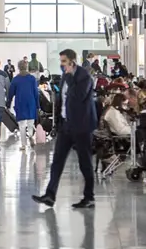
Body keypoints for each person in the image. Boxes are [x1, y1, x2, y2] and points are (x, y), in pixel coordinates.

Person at [34, 49, 98, 210]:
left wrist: (69, 78)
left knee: (85, 162)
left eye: (64, 61)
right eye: (61, 61)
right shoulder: (65, 77)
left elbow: (78, 97)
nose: (61, 65)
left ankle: (89, 197)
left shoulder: (84, 77)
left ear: (72, 61)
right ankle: (50, 195)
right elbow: (61, 101)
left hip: (82, 126)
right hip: (66, 125)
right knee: (57, 161)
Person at [9, 60, 41, 150]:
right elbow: (36, 93)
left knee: (22, 125)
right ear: (27, 67)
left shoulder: (15, 79)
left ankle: (23, 145)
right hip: (31, 102)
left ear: (18, 68)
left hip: (20, 102)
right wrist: (38, 106)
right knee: (30, 123)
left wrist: (8, 103)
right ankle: (30, 135)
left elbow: (11, 93)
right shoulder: (32, 79)